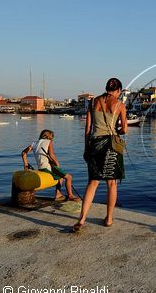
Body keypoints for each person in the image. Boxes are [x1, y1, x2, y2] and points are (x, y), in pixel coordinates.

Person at [73, 78, 128, 232]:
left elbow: (88, 128)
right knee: (112, 183)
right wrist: (116, 129)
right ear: (118, 91)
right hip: (111, 146)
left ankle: (82, 219)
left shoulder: (93, 102)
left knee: (93, 183)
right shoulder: (120, 105)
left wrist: (86, 148)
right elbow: (124, 129)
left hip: (95, 145)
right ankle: (109, 219)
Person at [21, 129, 79, 201]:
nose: (52, 138)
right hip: (48, 167)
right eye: (52, 136)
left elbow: (23, 153)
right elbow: (52, 155)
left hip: (41, 167)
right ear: (49, 136)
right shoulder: (49, 142)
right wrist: (57, 164)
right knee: (69, 177)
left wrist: (25, 164)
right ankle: (70, 195)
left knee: (60, 176)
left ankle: (58, 194)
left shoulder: (34, 143)